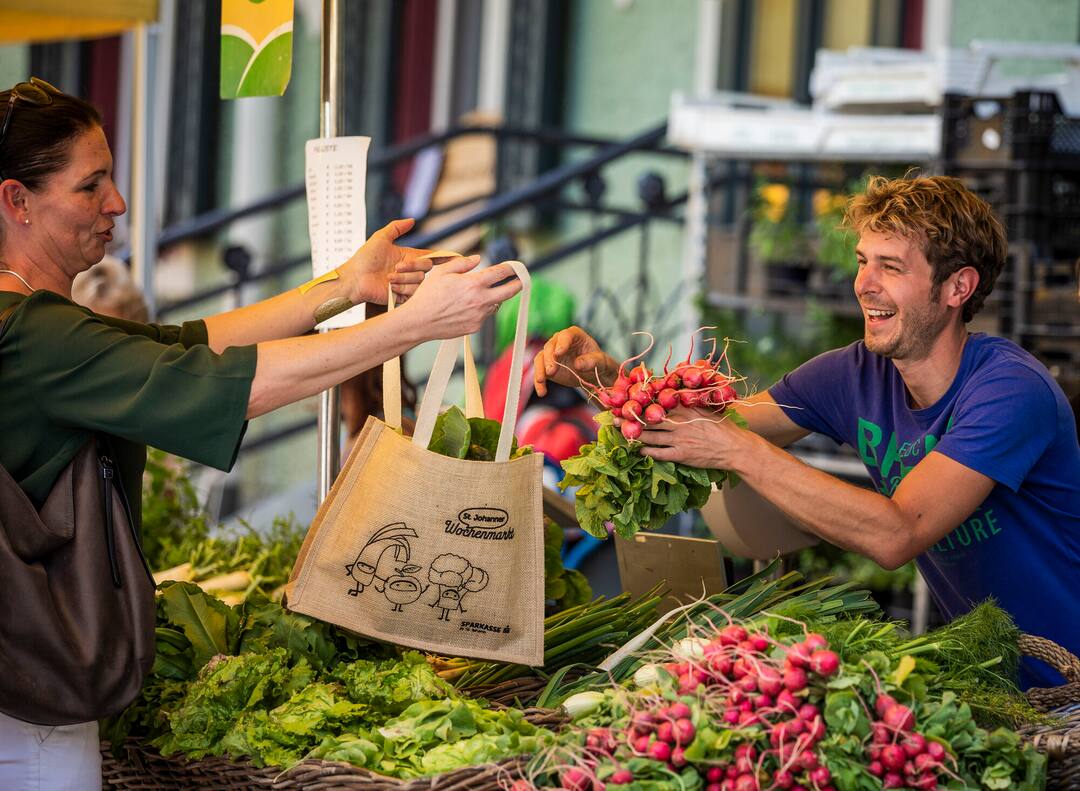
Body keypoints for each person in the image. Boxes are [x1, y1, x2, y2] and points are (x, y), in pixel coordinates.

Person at [0, 77, 521, 789]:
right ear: (16, 200)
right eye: (91, 186)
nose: (116, 203)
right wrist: (411, 326)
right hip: (26, 713)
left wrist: (346, 285)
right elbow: (227, 383)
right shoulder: (32, 333)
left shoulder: (35, 323)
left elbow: (185, 346)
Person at [535, 174, 1080, 690]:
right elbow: (708, 427)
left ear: (958, 286)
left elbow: (896, 535)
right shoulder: (853, 374)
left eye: (891, 267)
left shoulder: (1010, 390)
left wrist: (742, 453)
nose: (863, 285)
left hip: (1070, 689)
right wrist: (609, 378)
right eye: (863, 261)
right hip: (991, 681)